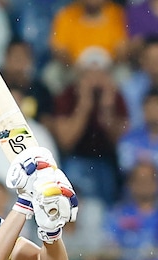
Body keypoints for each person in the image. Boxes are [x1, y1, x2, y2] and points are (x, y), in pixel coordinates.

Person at [47, 47, 129, 206]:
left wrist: (107, 109)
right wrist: (84, 106)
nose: (94, 79)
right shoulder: (67, 96)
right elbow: (66, 141)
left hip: (106, 161)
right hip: (75, 158)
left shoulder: (115, 96)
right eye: (89, 73)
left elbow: (121, 141)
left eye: (100, 73)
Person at [50, 0, 128, 65]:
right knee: (53, 72)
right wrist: (75, 65)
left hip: (110, 67)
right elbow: (59, 48)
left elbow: (122, 49)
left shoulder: (117, 14)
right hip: (74, 67)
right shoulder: (67, 14)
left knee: (123, 70)